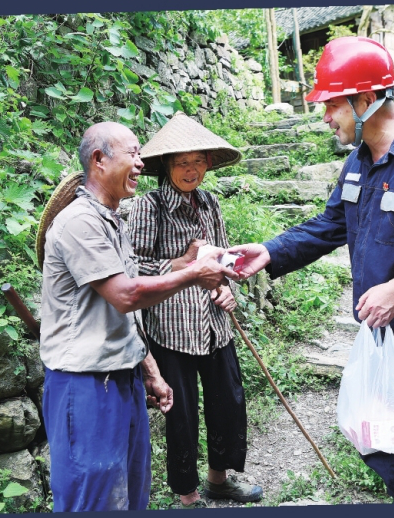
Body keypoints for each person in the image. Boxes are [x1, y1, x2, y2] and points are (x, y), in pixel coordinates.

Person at [228, 37, 394, 502]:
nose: (325, 117)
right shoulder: (360, 159)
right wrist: (270, 251)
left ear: (366, 100)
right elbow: (333, 222)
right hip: (385, 339)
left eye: (332, 105)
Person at [37, 121, 239, 512]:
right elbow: (126, 295)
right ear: (99, 160)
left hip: (122, 377)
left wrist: (149, 370)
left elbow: (121, 315)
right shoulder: (79, 222)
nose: (141, 163)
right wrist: (193, 272)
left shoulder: (110, 219)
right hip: (86, 384)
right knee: (92, 495)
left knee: (129, 492)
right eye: (132, 153)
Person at [127, 112, 263, 509]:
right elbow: (131, 270)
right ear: (166, 166)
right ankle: (188, 498)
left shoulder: (210, 203)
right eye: (182, 162)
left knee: (229, 403)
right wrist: (183, 264)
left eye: (198, 161)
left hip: (214, 325)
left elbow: (221, 263)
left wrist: (225, 289)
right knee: (181, 417)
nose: (191, 170)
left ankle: (218, 480)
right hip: (172, 329)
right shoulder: (149, 207)